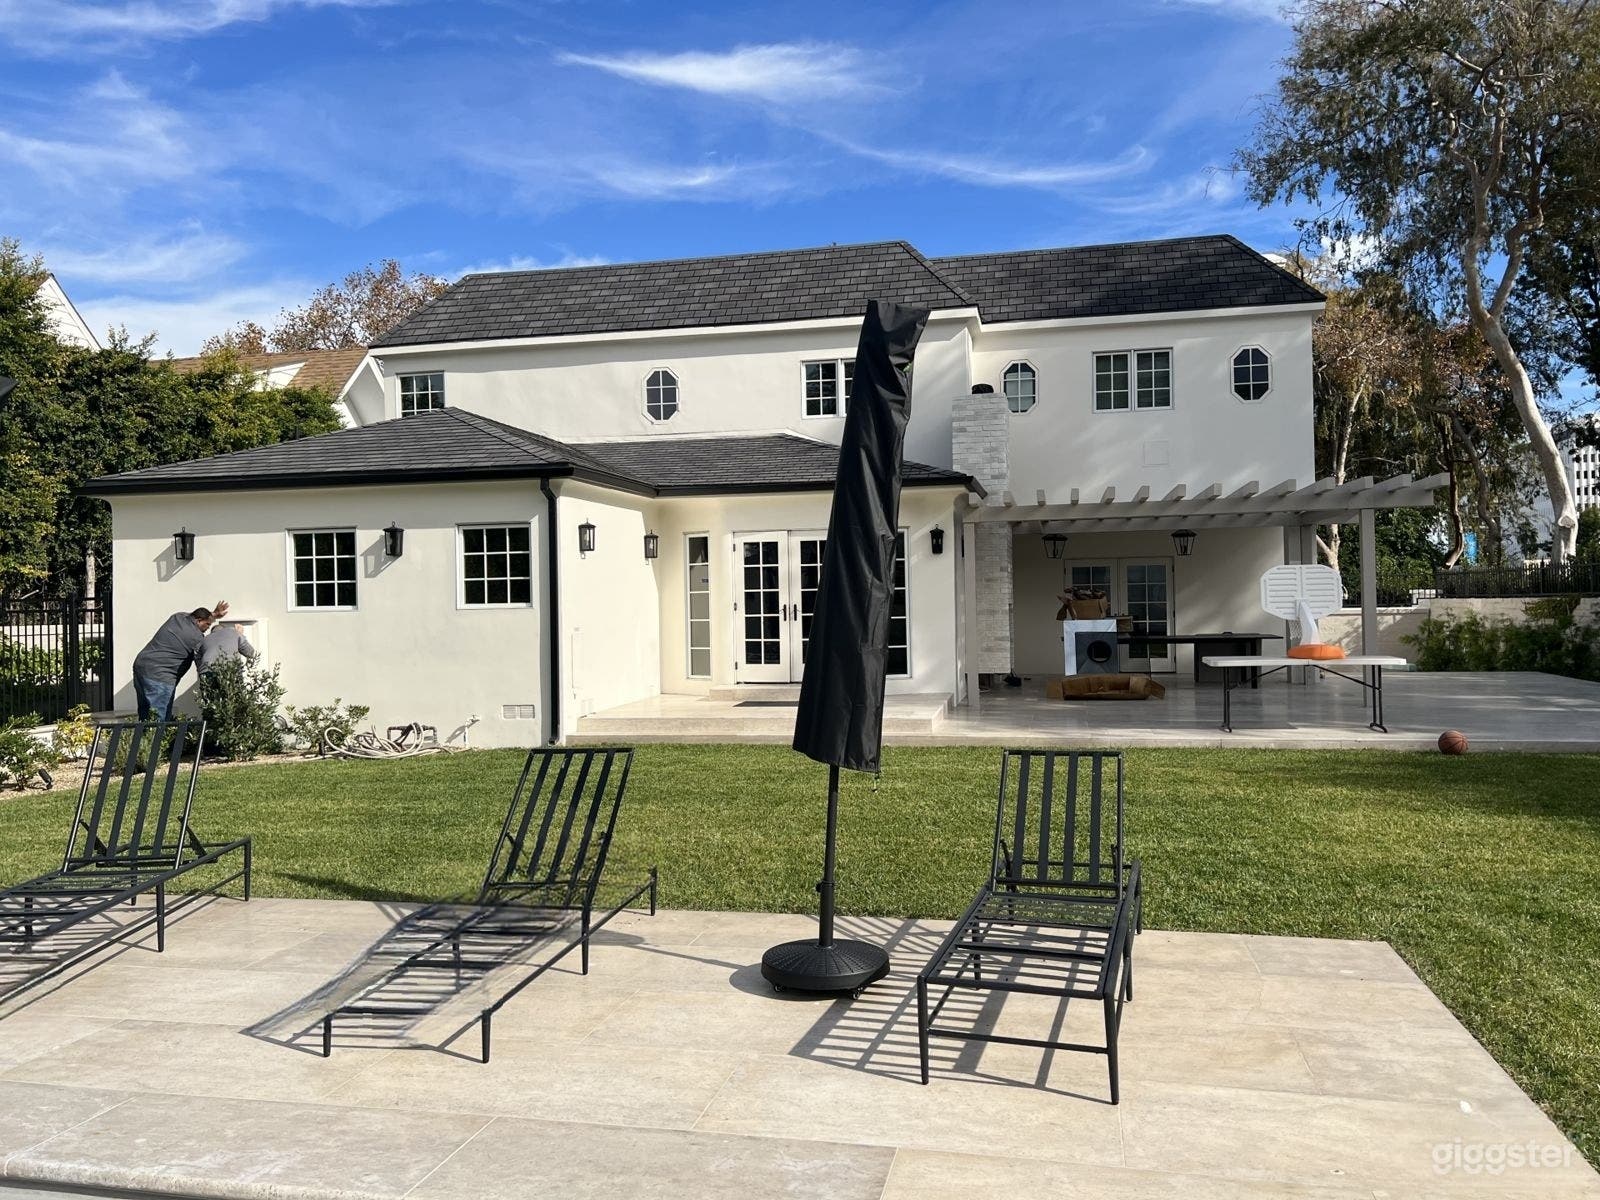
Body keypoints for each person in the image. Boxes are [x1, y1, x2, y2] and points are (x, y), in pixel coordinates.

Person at [131, 601, 229, 721]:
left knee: (145, 713)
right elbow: (201, 662)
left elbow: (193, 615)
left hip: (141, 666)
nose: (208, 628)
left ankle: (142, 739)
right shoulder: (196, 638)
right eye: (207, 624)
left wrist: (213, 614)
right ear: (199, 621)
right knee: (159, 718)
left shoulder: (178, 617)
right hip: (160, 675)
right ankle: (156, 739)